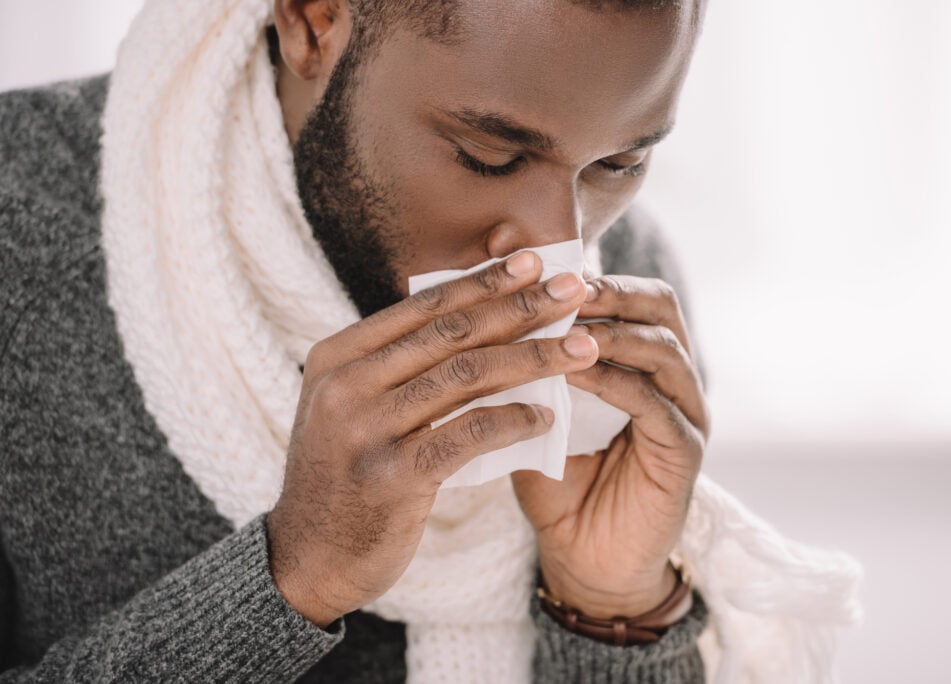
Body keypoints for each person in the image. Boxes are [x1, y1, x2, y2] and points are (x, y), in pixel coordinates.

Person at [0, 0, 861, 682]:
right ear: (314, 18)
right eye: (489, 155)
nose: (551, 241)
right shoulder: (19, 230)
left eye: (618, 165)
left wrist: (612, 610)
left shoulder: (628, 283)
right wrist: (288, 581)